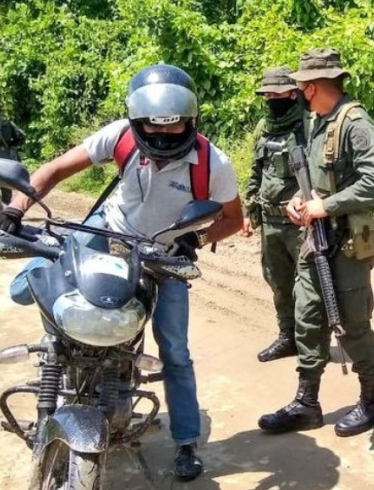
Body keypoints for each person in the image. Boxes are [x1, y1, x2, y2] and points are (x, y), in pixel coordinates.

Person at [0, 64, 243, 482]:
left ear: (190, 121)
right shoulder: (121, 137)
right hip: (106, 233)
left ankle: (186, 443)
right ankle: (55, 362)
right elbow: (56, 169)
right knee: (29, 287)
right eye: (154, 127)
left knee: (175, 350)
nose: (163, 135)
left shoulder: (212, 162)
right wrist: (14, 211)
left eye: (174, 127)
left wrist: (195, 241)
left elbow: (234, 218)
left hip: (161, 253)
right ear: (137, 122)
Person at [258, 48, 374, 438]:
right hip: (315, 240)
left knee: (352, 323)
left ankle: (373, 399)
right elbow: (319, 181)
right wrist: (303, 202)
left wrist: (326, 206)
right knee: (308, 316)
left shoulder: (354, 123)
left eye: (301, 86)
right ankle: (307, 402)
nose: (299, 92)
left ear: (312, 87)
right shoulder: (320, 122)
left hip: (346, 243)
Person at [243, 66, 306, 362]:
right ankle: (287, 337)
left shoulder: (308, 125)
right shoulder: (264, 127)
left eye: (275, 94)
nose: (269, 99)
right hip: (269, 221)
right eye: (266, 94)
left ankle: (312, 343)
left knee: (309, 287)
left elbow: (321, 173)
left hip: (300, 223)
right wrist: (248, 210)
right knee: (278, 282)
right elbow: (257, 170)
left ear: (293, 94)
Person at [0, 102, 26, 204]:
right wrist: (11, 145)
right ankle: (6, 210)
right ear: (1, 111)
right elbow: (20, 137)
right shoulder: (8, 124)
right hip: (6, 158)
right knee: (6, 185)